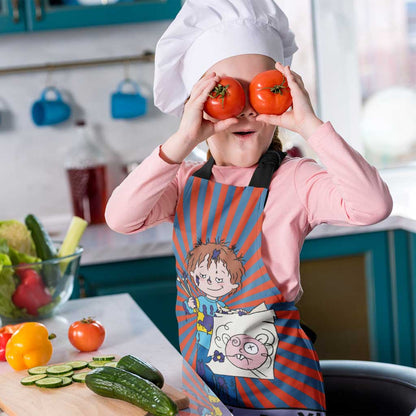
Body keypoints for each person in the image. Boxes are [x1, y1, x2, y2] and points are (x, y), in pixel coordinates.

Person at [105, 0, 393, 414]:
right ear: (198, 103)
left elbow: (373, 205)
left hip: (282, 400)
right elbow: (120, 217)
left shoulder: (294, 179)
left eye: (262, 91)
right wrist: (181, 141)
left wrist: (310, 124)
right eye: (226, 92)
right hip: (206, 393)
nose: (243, 109)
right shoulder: (184, 181)